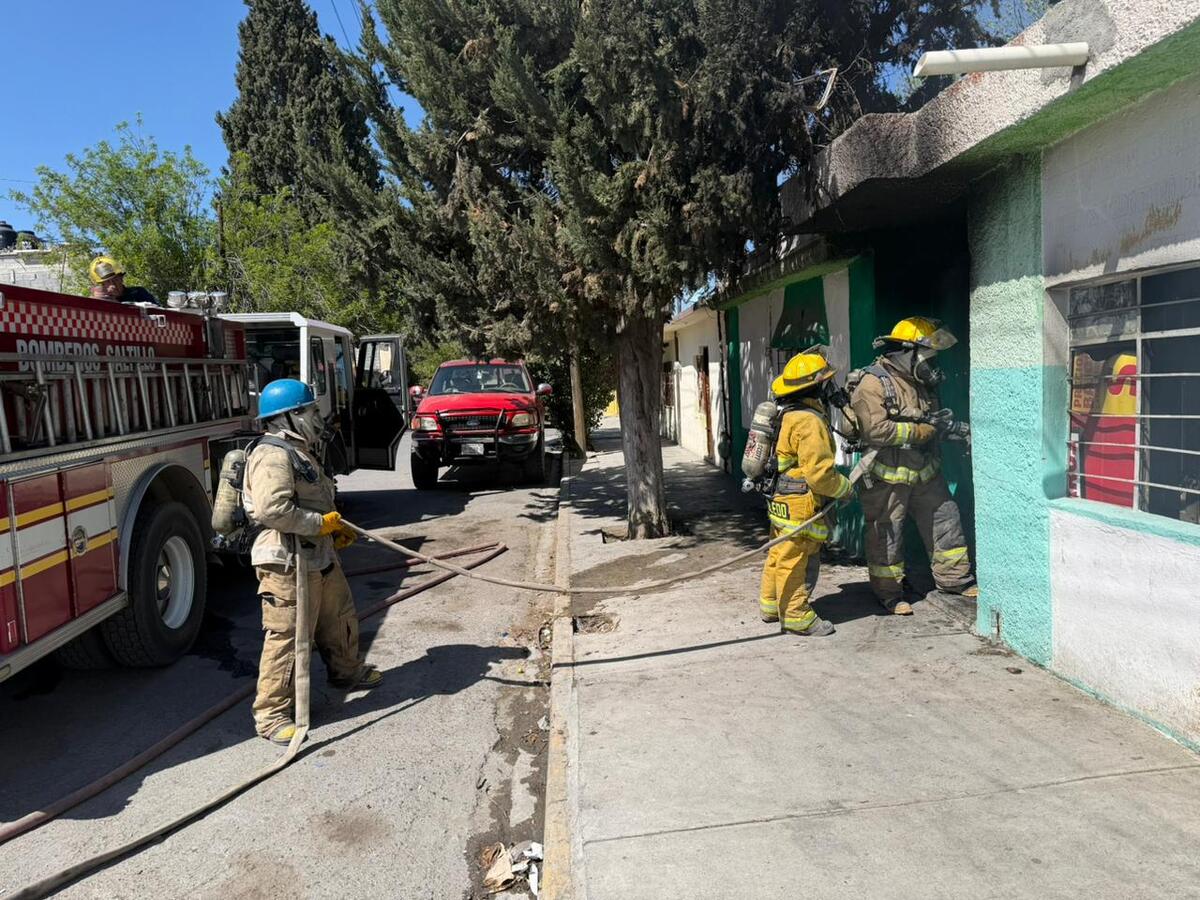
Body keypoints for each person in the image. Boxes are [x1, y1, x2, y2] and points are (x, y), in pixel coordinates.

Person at [243, 378, 382, 744]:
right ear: (287, 417)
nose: (315, 417)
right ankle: (272, 716)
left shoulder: (299, 450)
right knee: (288, 637)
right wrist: (318, 525)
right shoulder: (272, 454)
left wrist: (331, 530)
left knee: (338, 615)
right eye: (308, 411)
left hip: (316, 552)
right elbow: (272, 510)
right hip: (285, 560)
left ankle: (346, 672)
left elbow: (312, 500)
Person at [849, 317, 978, 616]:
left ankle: (955, 581)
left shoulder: (920, 382)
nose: (931, 363)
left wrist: (955, 430)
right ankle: (890, 594)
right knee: (887, 534)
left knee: (946, 520)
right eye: (927, 355)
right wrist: (921, 433)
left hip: (924, 470)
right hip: (886, 476)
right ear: (907, 352)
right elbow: (875, 430)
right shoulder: (873, 383)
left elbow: (931, 421)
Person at [758, 352, 854, 637]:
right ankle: (797, 615)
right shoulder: (809, 422)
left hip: (780, 498)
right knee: (795, 559)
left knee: (779, 552)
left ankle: (771, 605)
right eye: (825, 382)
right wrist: (845, 489)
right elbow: (820, 475)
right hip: (801, 501)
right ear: (815, 387)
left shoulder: (787, 414)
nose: (830, 388)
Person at [88, 256, 161, 305]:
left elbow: (158, 313)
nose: (112, 285)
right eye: (107, 282)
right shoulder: (100, 300)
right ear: (102, 285)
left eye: (115, 280)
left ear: (121, 278)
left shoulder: (138, 293)